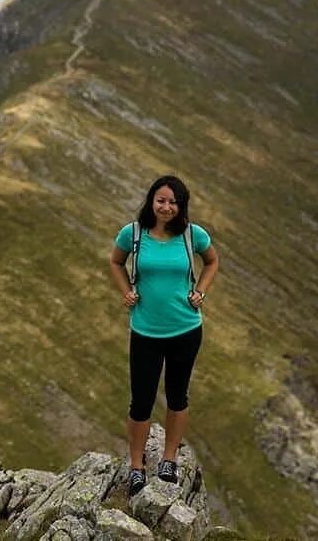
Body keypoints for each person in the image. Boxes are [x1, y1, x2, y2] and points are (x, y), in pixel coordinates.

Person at [108, 175, 219, 498]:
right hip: (145, 331)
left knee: (177, 395)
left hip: (186, 328)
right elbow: (115, 262)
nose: (166, 207)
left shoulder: (192, 235)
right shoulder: (134, 234)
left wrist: (201, 291)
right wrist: (126, 291)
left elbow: (212, 261)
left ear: (181, 206)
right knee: (140, 401)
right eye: (161, 200)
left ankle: (169, 459)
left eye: (173, 202)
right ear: (151, 201)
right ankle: (136, 466)